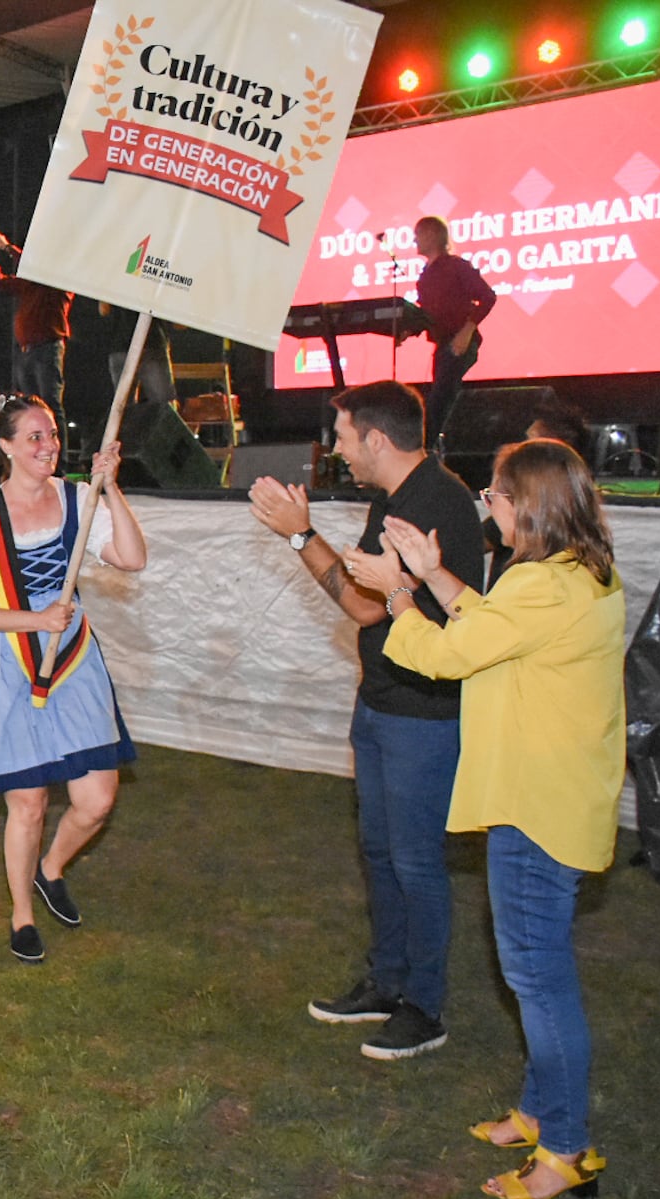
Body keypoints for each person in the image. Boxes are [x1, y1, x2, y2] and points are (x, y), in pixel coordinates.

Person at [375, 439, 624, 1199]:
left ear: (530, 505)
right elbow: (494, 624)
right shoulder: (571, 575)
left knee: (539, 981)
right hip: (552, 797)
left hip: (535, 807)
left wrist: (399, 601)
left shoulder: (543, 588)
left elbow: (455, 654)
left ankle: (566, 1150)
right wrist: (433, 572)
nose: (489, 506)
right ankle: (540, 1111)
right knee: (534, 969)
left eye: (496, 495)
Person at [249, 379, 485, 1060]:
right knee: (381, 852)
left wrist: (301, 538)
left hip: (424, 714)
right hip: (383, 702)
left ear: (377, 439)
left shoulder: (433, 503)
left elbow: (364, 608)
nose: (338, 449)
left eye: (345, 436)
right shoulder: (399, 498)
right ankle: (387, 982)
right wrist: (303, 541)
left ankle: (424, 1006)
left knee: (415, 860)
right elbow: (364, 600)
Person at [0, 392, 147, 963]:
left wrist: (112, 486)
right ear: (4, 446)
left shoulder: (79, 498)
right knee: (27, 802)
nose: (48, 446)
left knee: (97, 800)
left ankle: (50, 869)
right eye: (34, 436)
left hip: (75, 658)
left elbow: (131, 558)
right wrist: (34, 617)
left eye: (52, 435)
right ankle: (21, 914)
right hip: (8, 660)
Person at [483, 403, 591, 591]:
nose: (520, 449)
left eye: (529, 443)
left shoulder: (537, 580)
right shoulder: (581, 516)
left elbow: (474, 543)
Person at [414, 215, 497, 444]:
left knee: (441, 400)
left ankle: (429, 450)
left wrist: (467, 329)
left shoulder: (456, 266)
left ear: (432, 235)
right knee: (439, 400)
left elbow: (487, 297)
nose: (414, 240)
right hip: (443, 344)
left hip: (459, 341)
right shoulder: (426, 276)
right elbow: (428, 315)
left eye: (418, 234)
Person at [0, 232, 76, 425]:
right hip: (27, 350)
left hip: (48, 347)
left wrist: (8, 248)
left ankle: (60, 455)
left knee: (50, 404)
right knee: (29, 407)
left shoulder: (58, 280)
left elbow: (34, 269)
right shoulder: (30, 283)